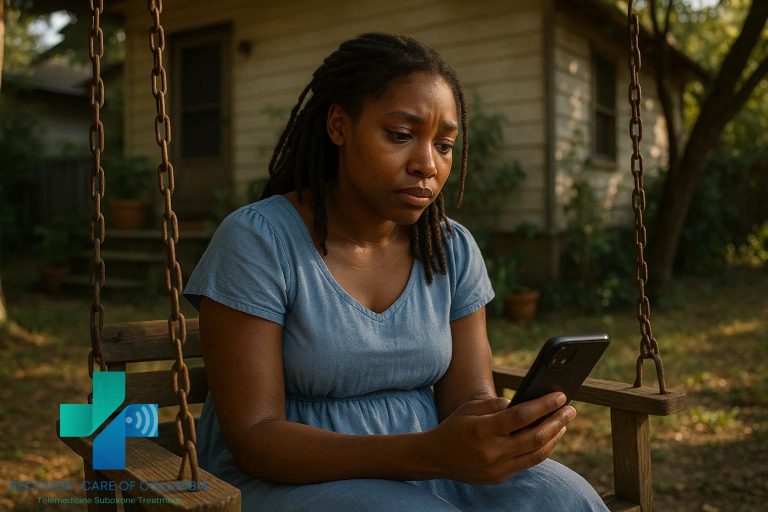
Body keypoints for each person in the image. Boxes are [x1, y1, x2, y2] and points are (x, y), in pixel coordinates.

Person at [183, 32, 608, 512]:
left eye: (445, 145)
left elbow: (468, 395)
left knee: (568, 499)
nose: (427, 164)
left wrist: (496, 429)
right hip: (289, 479)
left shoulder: (451, 248)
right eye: (401, 135)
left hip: (432, 467)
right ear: (340, 125)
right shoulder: (259, 240)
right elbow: (256, 438)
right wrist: (428, 453)